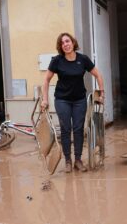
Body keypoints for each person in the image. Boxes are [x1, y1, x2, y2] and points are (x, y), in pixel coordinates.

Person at [41, 32, 105, 173]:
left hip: (79, 100)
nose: (66, 44)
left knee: (78, 129)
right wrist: (45, 99)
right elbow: (46, 80)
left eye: (67, 41)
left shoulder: (83, 59)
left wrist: (102, 93)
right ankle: (68, 161)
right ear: (61, 46)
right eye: (63, 43)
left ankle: (78, 160)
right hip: (62, 100)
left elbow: (98, 74)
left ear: (73, 42)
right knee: (65, 129)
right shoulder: (57, 60)